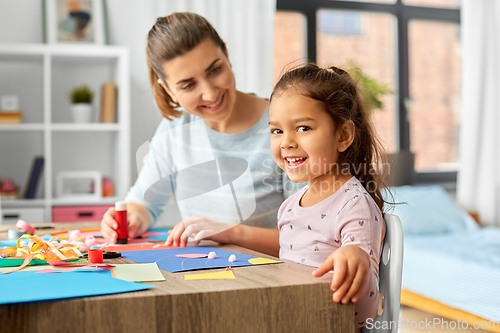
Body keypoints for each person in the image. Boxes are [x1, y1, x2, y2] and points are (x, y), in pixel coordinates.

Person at [168, 63, 389, 332]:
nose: (286, 142)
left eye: (303, 128)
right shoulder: (288, 208)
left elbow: (364, 313)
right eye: (277, 131)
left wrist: (358, 262)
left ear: (343, 135)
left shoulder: (354, 205)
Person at [100, 12, 301, 255]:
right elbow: (143, 203)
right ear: (168, 90)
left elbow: (311, 236)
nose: (209, 93)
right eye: (188, 85)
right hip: (201, 277)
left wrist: (232, 233)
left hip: (269, 283)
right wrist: (129, 219)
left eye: (215, 70)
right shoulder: (175, 131)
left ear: (226, 55)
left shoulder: (283, 129)